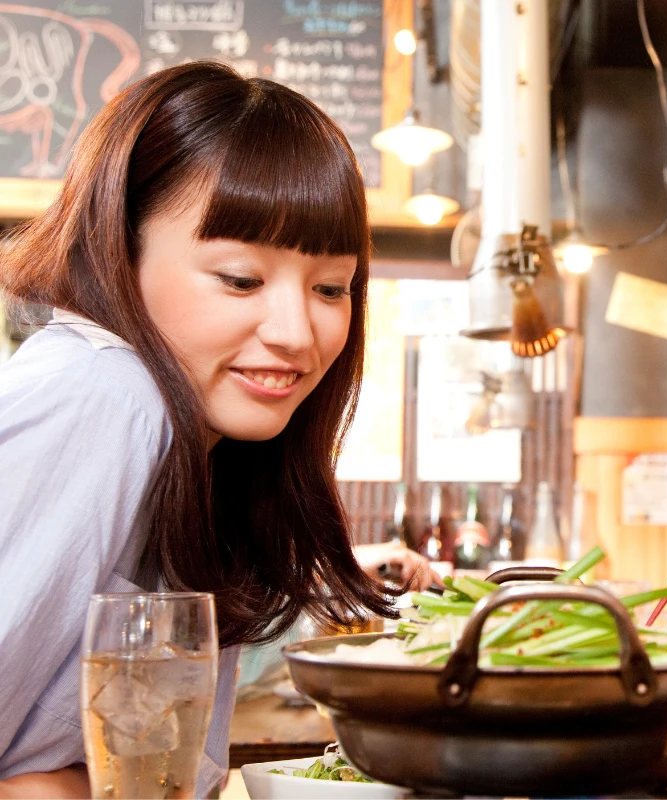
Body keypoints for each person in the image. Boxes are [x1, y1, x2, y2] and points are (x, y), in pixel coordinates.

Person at [0, 62, 393, 798]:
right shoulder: (104, 393)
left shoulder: (207, 449)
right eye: (241, 279)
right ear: (121, 249)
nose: (296, 332)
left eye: (331, 288)